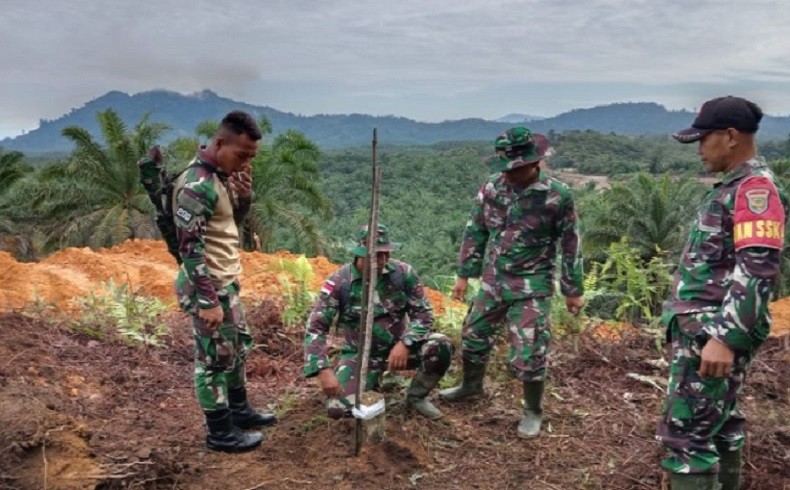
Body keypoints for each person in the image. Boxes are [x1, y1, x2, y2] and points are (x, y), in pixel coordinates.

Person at [656, 96, 788, 490]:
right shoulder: (733, 187)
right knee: (721, 421)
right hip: (706, 329)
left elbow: (758, 270)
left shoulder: (754, 191)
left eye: (703, 139)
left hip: (712, 332)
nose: (698, 149)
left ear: (730, 136)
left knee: (686, 437)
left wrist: (724, 338)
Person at [439, 126, 584, 438]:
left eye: (515, 170)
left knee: (530, 347)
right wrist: (465, 275)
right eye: (505, 168)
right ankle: (471, 385)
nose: (509, 176)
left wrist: (572, 291)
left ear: (535, 164)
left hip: (532, 283)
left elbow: (571, 244)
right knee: (474, 332)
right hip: (494, 279)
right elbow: (475, 231)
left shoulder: (557, 195)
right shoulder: (492, 189)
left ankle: (532, 410)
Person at [173, 110, 277, 453]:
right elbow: (190, 249)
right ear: (220, 143)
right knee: (213, 359)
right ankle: (220, 433)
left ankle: (239, 410)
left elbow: (228, 226)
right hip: (209, 287)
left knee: (236, 349)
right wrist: (208, 301)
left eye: (252, 157)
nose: (247, 163)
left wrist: (243, 199)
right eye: (242, 155)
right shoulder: (196, 184)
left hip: (225, 283)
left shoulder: (218, 176)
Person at [303, 224, 454, 420]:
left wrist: (406, 343)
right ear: (360, 254)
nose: (383, 261)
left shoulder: (403, 274)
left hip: (400, 352)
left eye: (386, 254)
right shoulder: (340, 283)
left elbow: (423, 315)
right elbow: (316, 327)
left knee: (441, 345)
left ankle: (416, 397)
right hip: (359, 356)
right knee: (339, 409)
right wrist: (322, 369)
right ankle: (370, 385)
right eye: (376, 256)